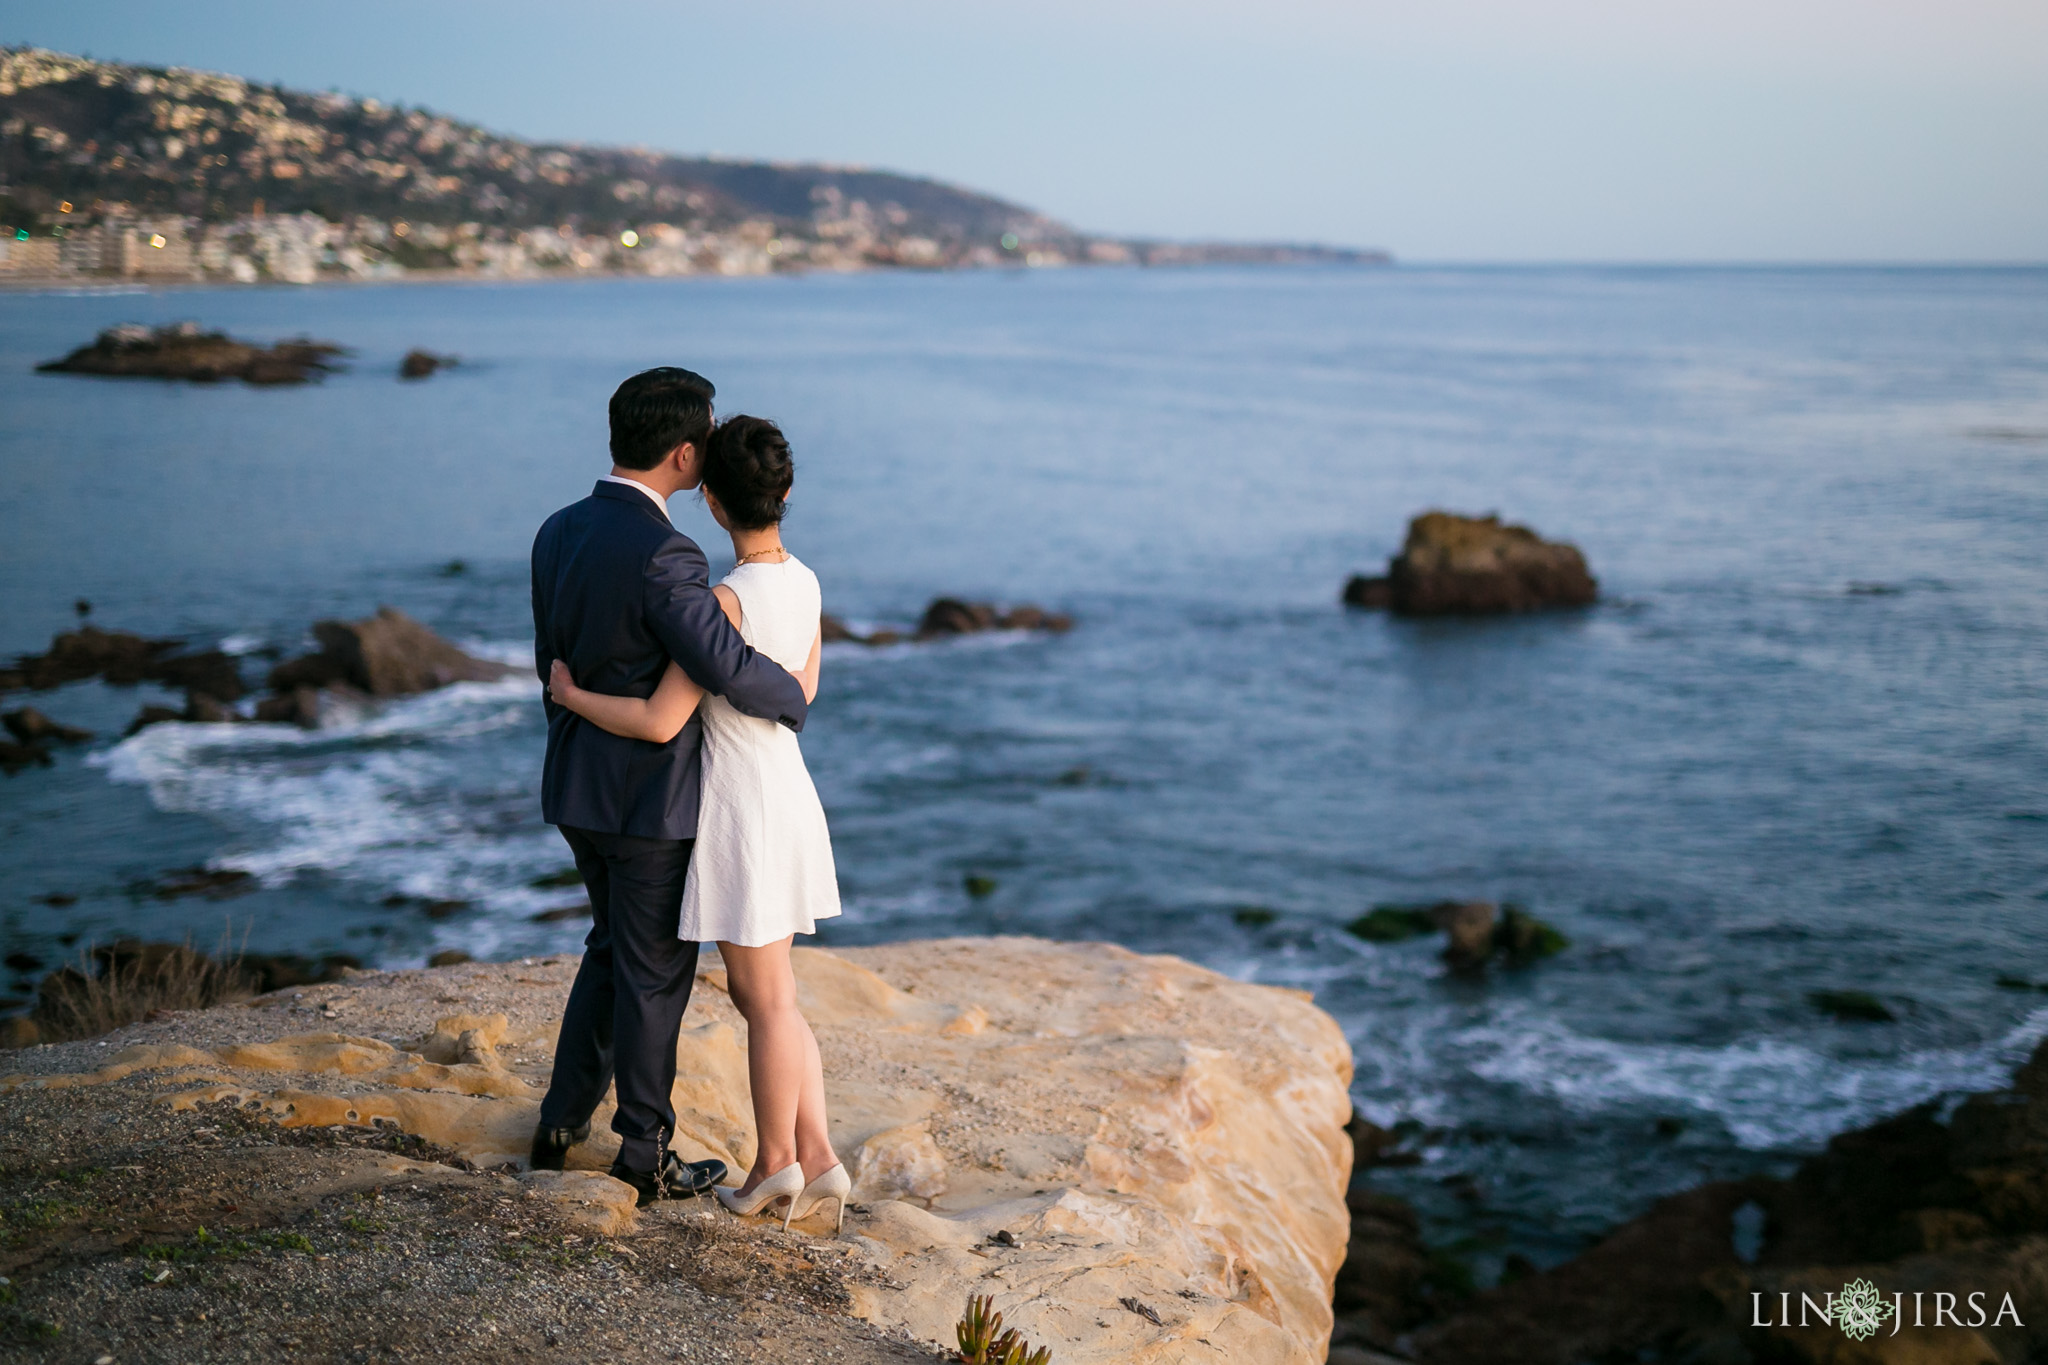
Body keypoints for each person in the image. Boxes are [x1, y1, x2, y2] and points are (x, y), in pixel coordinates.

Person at [548, 414, 849, 1232]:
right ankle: (817, 1154)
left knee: (766, 1002)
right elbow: (804, 692)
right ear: (785, 493)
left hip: (744, 808)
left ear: (712, 503)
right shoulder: (809, 581)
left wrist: (572, 697)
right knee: (778, 995)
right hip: (788, 790)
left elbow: (656, 718)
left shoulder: (722, 600)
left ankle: (774, 1165)